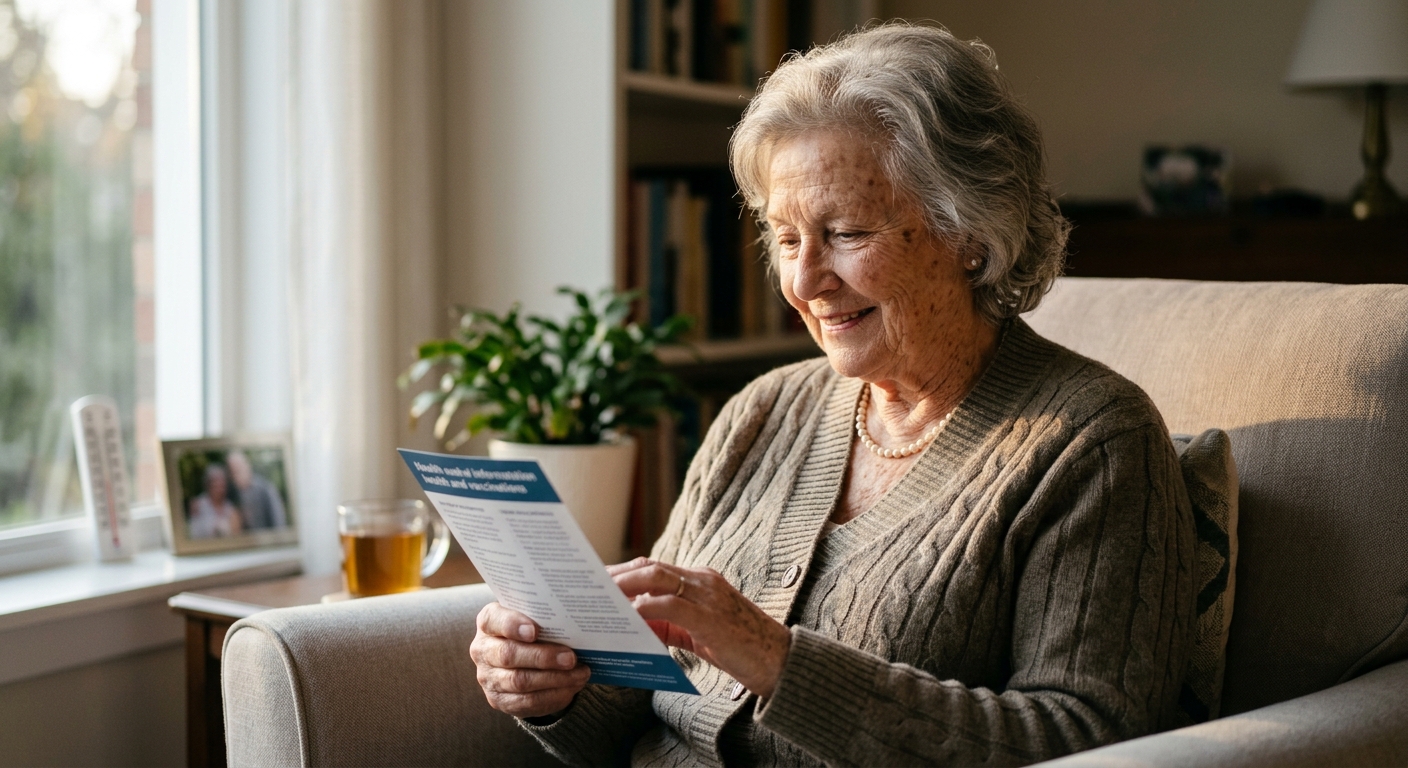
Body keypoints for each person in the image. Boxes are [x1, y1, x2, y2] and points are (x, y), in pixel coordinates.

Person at [472, 23, 1196, 767]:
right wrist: (553, 683)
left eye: (845, 232)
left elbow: (1091, 740)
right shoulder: (760, 412)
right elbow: (636, 706)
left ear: (971, 234)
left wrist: (778, 661)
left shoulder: (1092, 442)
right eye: (786, 239)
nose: (805, 281)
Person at [227, 450, 287, 531]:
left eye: (238, 470)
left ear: (247, 466)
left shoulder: (266, 489)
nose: (235, 475)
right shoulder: (233, 494)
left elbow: (279, 523)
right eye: (232, 472)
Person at [187, 463, 243, 539]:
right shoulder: (198, 505)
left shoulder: (230, 507)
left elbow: (237, 535)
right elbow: (193, 534)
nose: (220, 490)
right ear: (208, 486)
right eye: (216, 486)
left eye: (222, 486)